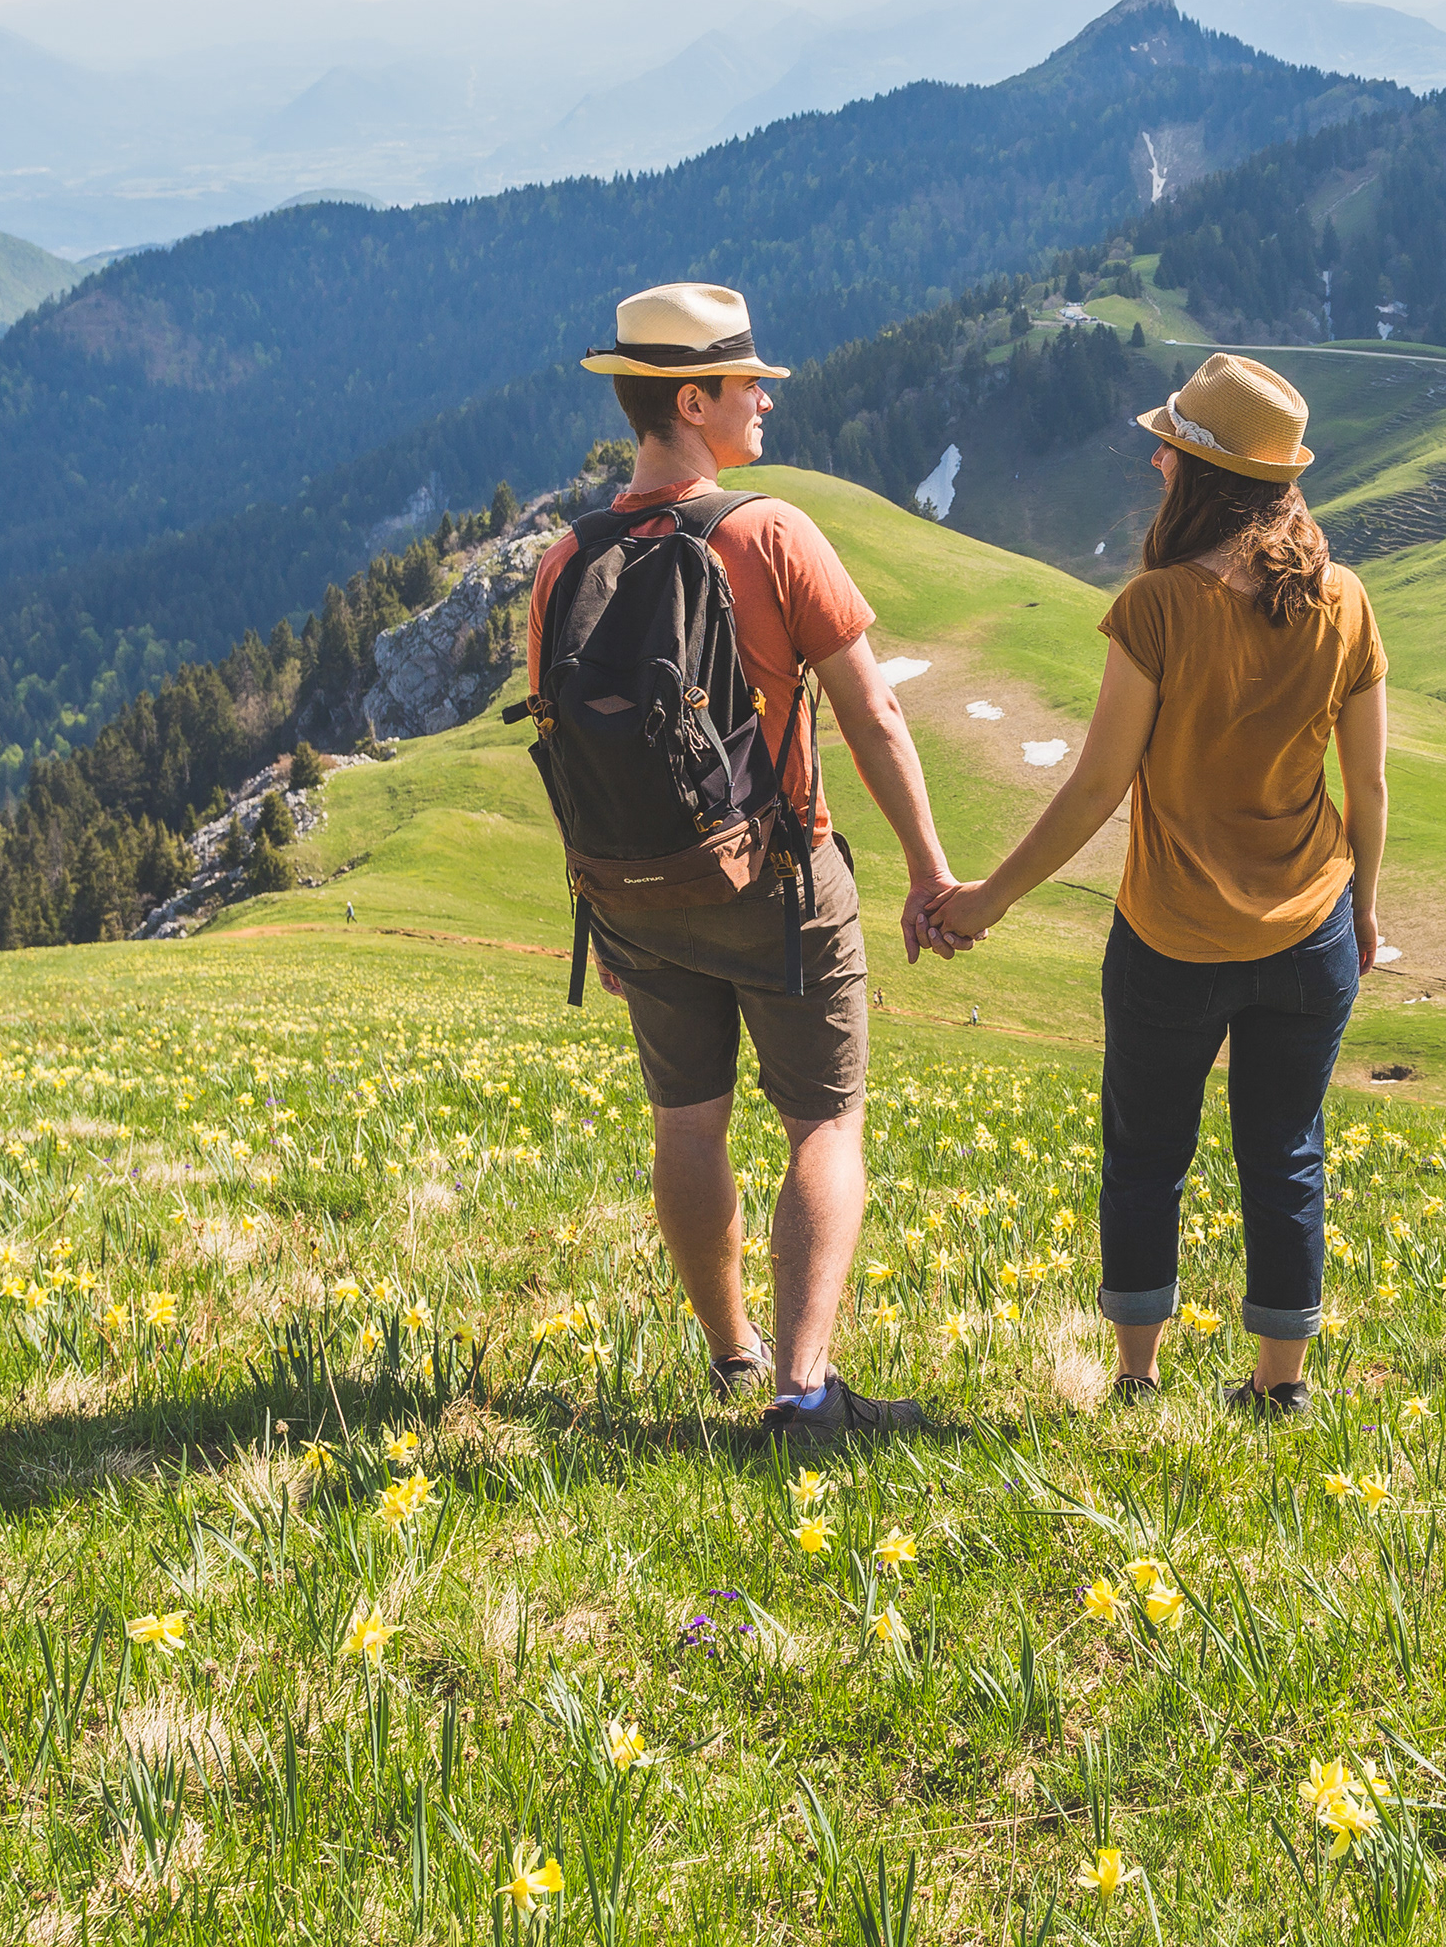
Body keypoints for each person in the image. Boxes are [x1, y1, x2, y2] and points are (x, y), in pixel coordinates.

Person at [532, 282, 966, 1438]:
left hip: (637, 893)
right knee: (823, 1122)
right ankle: (804, 1390)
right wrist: (929, 869)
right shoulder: (770, 534)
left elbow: (563, 750)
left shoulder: (564, 561)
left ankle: (732, 1355)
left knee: (688, 1121)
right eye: (746, 382)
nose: (766, 397)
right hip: (778, 885)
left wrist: (602, 906)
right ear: (692, 400)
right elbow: (871, 713)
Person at [932, 354, 1388, 1416]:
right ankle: (1280, 1389)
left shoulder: (1157, 607)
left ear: (1206, 474)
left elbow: (1098, 785)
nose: (1156, 461)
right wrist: (1363, 907)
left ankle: (1137, 1382)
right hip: (1311, 929)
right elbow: (1366, 781)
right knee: (1286, 1153)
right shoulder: (1344, 599)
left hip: (1172, 939)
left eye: (1172, 449)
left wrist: (987, 899)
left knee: (1146, 1155)